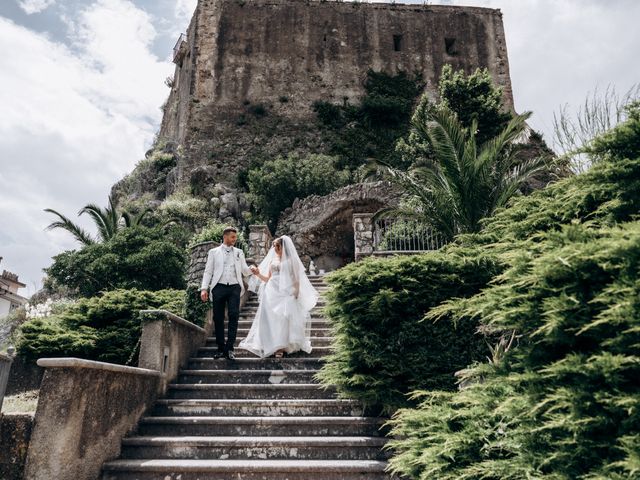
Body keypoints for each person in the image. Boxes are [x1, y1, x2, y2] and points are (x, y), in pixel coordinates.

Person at [239, 235, 319, 358]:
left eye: (277, 246)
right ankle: (268, 343)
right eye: (274, 246)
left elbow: (296, 279)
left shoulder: (292, 261)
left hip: (286, 293)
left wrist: (296, 293)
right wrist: (258, 274)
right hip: (271, 292)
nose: (275, 248)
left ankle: (280, 347)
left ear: (284, 246)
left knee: (282, 319)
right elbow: (267, 279)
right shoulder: (273, 261)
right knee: (269, 318)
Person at [200, 226, 253, 360]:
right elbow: (208, 271)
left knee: (234, 315)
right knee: (218, 318)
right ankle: (220, 348)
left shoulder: (239, 252)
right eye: (232, 237)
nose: (235, 239)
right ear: (225, 237)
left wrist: (252, 269)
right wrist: (204, 288)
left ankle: (230, 348)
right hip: (218, 287)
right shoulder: (213, 252)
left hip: (234, 287)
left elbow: (244, 270)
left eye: (235, 237)